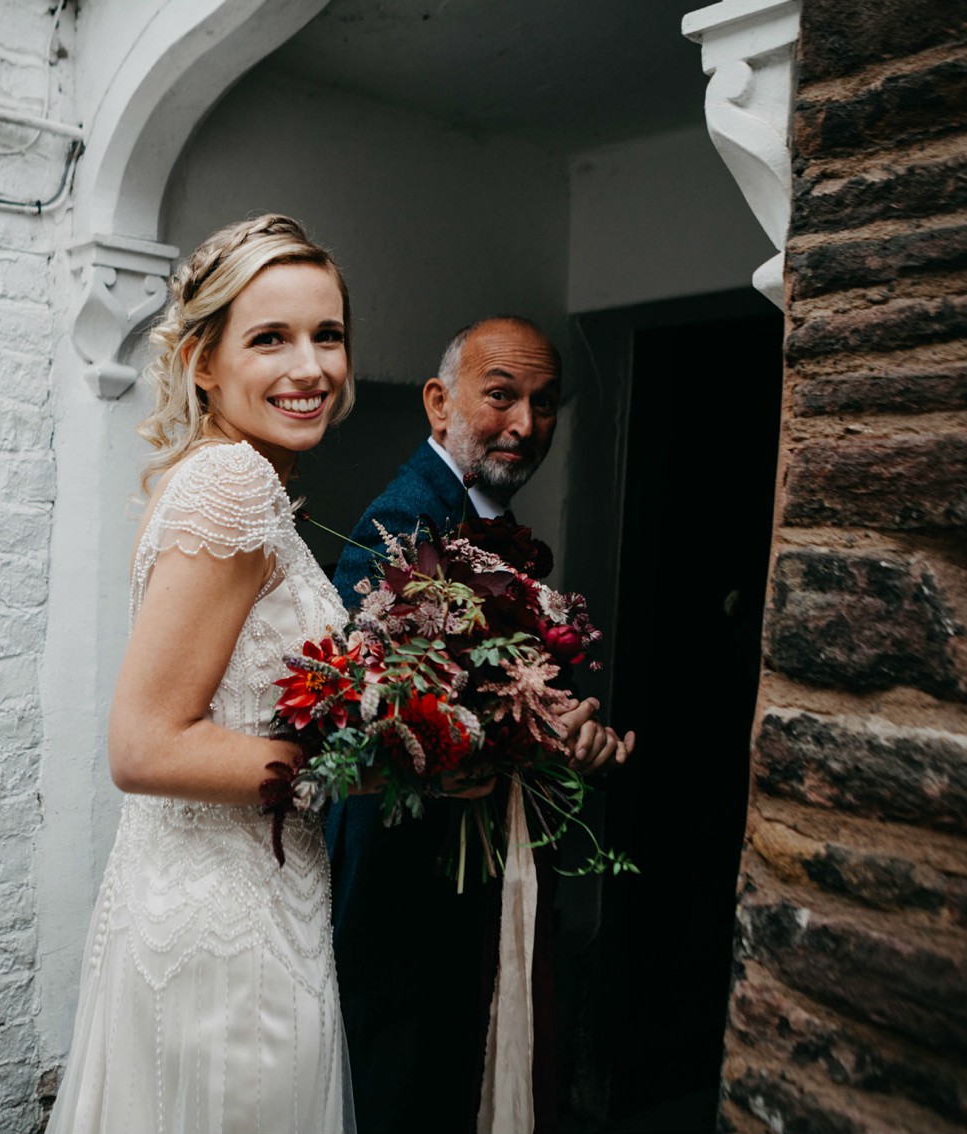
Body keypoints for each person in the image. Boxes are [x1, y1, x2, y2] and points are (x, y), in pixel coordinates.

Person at [48, 215, 361, 1134]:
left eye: (328, 334)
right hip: (230, 942)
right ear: (202, 362)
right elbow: (145, 746)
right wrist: (367, 763)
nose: (310, 368)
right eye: (271, 337)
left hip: (215, 900)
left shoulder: (214, 474)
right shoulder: (234, 485)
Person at [327, 316, 634, 1134]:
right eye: (501, 396)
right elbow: (356, 715)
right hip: (407, 898)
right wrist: (499, 736)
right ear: (439, 403)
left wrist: (571, 739)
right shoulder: (403, 524)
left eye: (544, 403)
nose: (526, 425)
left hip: (472, 886)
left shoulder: (482, 523)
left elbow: (506, 696)